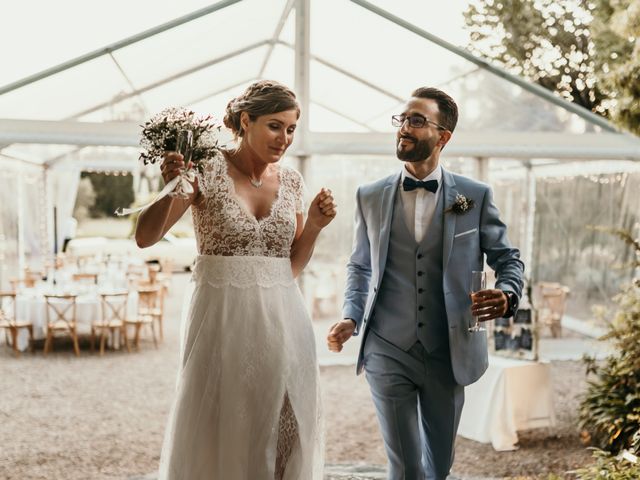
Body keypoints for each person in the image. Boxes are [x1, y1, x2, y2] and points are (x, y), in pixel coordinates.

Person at [135, 80, 335, 479]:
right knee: (223, 427)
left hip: (284, 320)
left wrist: (312, 226)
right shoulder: (204, 169)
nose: (285, 138)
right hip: (222, 321)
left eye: (292, 129)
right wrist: (170, 187)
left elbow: (288, 267)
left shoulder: (292, 182)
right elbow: (145, 236)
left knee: (286, 426)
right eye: (275, 126)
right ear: (246, 121)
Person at [327, 87, 524, 480]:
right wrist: (351, 315)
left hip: (447, 350)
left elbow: (507, 258)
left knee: (439, 465)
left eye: (416, 120)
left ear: (443, 136)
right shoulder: (369, 196)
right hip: (387, 347)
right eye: (401, 119)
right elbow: (360, 267)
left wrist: (507, 293)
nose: (404, 128)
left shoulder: (474, 196)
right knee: (404, 465)